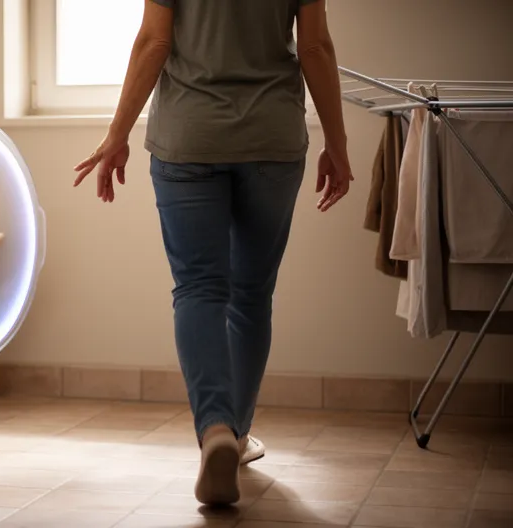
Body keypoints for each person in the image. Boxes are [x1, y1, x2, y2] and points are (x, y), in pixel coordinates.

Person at [73, 0, 352, 506]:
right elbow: (314, 46)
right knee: (251, 296)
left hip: (188, 138)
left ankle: (216, 430)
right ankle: (238, 436)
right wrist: (337, 142)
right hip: (272, 139)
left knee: (199, 288)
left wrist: (117, 134)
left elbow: (153, 41)